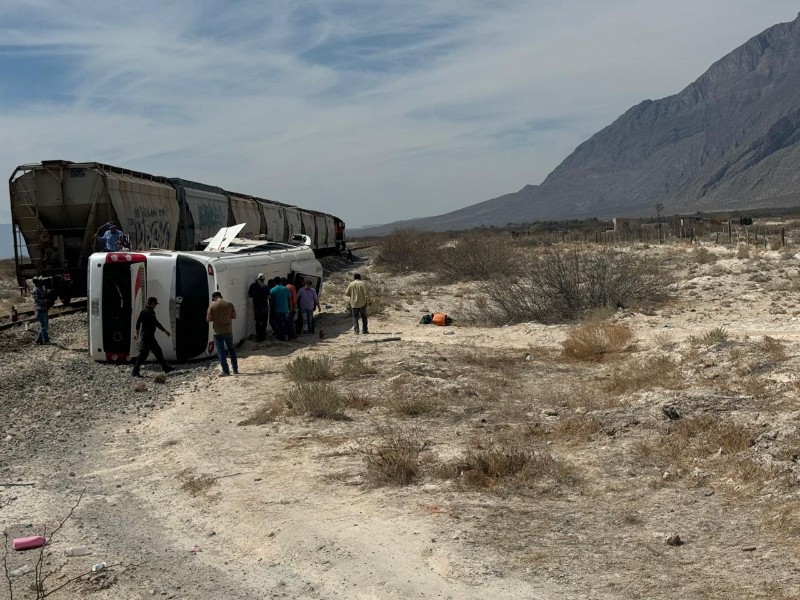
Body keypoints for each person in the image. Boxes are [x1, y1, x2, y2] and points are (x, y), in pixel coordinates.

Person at [132, 297, 175, 376]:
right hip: (148, 337)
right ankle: (135, 371)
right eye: (155, 304)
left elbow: (138, 322)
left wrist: (137, 333)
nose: (155, 306)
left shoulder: (143, 311)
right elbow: (156, 323)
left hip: (146, 336)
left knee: (157, 351)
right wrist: (165, 331)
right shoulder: (150, 312)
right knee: (144, 354)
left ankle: (165, 368)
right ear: (152, 304)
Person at [207, 291, 239, 376]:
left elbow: (208, 319)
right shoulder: (229, 304)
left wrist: (215, 317)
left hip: (217, 332)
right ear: (221, 296)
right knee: (231, 350)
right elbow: (234, 316)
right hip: (228, 330)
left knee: (221, 352)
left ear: (214, 297)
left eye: (213, 299)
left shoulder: (212, 306)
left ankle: (226, 371)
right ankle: (235, 369)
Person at [248, 273, 270, 342]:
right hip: (264, 307)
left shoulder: (253, 285)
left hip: (257, 307)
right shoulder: (266, 286)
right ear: (264, 279)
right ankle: (263, 337)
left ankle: (259, 337)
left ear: (258, 279)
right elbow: (269, 297)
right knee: (264, 322)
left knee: (257, 322)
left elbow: (249, 294)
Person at [32, 277, 51, 345]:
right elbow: (37, 301)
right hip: (40, 310)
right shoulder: (35, 290)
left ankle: (38, 340)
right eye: (40, 281)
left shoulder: (41, 289)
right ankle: (45, 340)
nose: (42, 282)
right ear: (37, 283)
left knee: (44, 326)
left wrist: (47, 293)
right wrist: (46, 299)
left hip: (44, 309)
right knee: (44, 326)